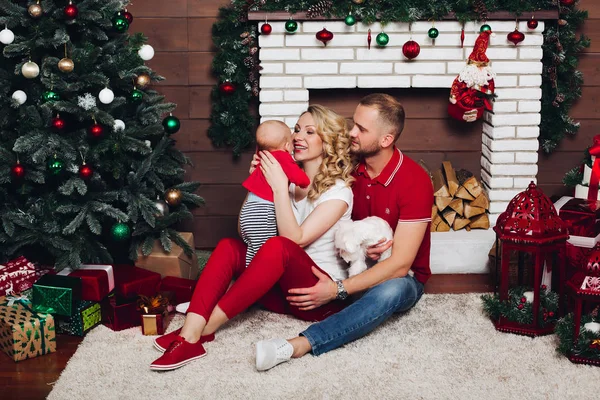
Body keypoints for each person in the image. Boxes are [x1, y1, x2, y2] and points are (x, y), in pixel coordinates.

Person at [149, 105, 355, 371]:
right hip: (278, 292)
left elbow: (295, 239)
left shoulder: (338, 192)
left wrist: (279, 186)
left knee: (279, 245)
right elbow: (244, 230)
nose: (298, 137)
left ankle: (204, 328)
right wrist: (259, 185)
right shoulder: (287, 179)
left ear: (327, 143)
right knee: (229, 246)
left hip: (313, 300)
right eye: (296, 129)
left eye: (310, 131)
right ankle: (191, 332)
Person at [255, 93, 434, 371]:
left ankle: (300, 344)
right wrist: (266, 166)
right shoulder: (348, 168)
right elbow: (305, 162)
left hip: (401, 276)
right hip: (352, 265)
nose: (351, 132)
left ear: (386, 140)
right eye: (354, 124)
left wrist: (337, 290)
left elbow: (400, 265)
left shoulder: (414, 180)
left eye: (361, 129)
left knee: (393, 289)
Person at [240, 120, 310, 267]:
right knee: (265, 254)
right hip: (264, 212)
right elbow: (298, 177)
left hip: (248, 212)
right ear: (286, 146)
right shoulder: (283, 158)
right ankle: (258, 277)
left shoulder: (262, 157)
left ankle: (249, 273)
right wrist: (305, 182)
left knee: (253, 252)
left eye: (309, 132)